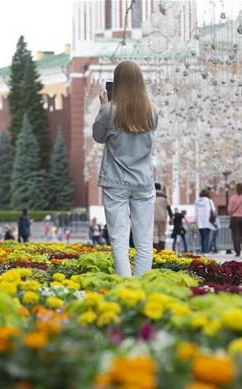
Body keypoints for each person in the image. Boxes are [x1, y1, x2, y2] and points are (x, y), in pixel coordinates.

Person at [92, 60, 158, 277]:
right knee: (144, 239)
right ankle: (143, 288)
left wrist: (104, 106)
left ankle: (125, 288)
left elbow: (98, 137)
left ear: (117, 82)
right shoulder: (151, 111)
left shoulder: (109, 111)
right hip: (143, 182)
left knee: (119, 239)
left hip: (116, 182)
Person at [227, 183, 242, 257]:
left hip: (235, 218)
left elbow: (229, 210)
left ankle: (238, 252)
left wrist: (231, 214)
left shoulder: (232, 198)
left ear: (236, 189)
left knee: (235, 235)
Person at [195, 189, 217, 254]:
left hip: (199, 222)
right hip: (207, 222)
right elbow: (213, 210)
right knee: (206, 237)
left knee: (202, 237)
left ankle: (203, 250)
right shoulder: (209, 201)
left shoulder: (196, 201)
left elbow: (195, 212)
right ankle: (205, 252)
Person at [153, 182, 173, 251]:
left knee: (155, 234)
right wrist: (171, 217)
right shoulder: (164, 196)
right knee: (162, 234)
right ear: (160, 187)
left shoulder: (151, 195)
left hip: (153, 218)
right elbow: (168, 207)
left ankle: (156, 250)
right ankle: (162, 250)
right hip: (163, 218)